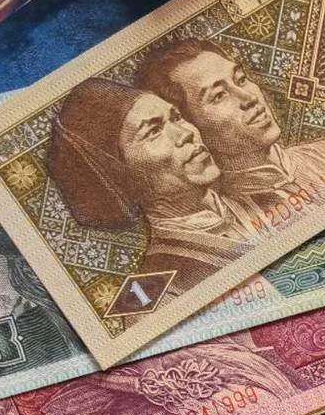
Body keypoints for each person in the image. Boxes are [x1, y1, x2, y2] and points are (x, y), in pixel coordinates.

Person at [46, 77, 251, 294]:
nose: (186, 134)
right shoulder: (161, 290)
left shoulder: (264, 198)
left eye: (177, 118)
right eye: (153, 131)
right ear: (121, 173)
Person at [135, 39, 325, 214]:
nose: (249, 97)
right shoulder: (230, 224)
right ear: (190, 126)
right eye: (218, 95)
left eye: (240, 79)